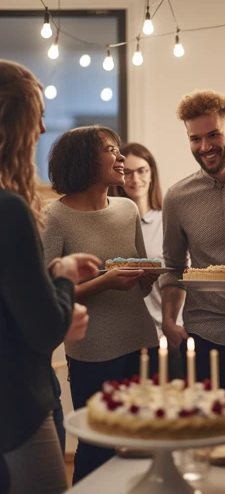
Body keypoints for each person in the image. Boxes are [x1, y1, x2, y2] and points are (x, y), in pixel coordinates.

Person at [0, 59, 100, 494]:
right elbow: (44, 330)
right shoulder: (9, 209)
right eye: (36, 118)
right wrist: (61, 280)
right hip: (16, 406)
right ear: (11, 122)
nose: (42, 130)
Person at [42, 126, 160, 483]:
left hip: (142, 342)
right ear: (83, 161)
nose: (122, 158)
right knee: (98, 448)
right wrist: (104, 282)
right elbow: (47, 295)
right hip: (92, 351)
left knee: (146, 443)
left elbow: (137, 282)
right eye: (111, 150)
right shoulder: (55, 216)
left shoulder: (126, 209)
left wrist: (146, 277)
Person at [159, 90, 225, 398]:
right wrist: (168, 321)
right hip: (206, 332)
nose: (205, 147)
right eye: (195, 139)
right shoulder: (177, 197)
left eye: (213, 135)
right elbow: (173, 267)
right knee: (209, 433)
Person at [110, 142, 183, 379]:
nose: (135, 179)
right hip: (122, 338)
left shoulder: (168, 222)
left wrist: (169, 324)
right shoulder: (111, 226)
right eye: (128, 172)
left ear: (152, 173)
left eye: (142, 170)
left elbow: (182, 275)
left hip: (164, 333)